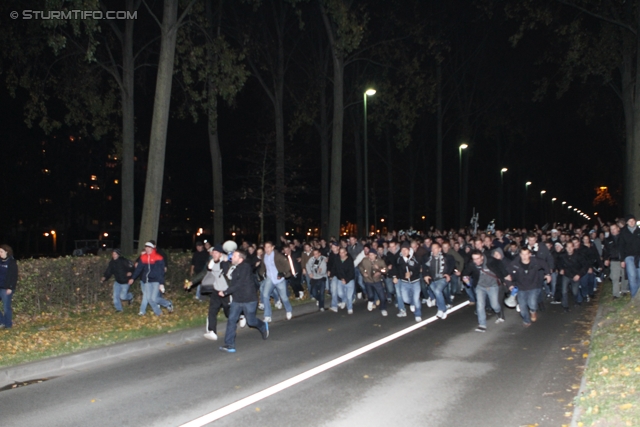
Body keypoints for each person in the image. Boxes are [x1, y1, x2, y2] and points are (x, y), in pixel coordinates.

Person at [218, 250, 269, 353]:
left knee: (251, 321)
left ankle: (263, 325)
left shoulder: (245, 267)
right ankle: (229, 344)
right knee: (232, 320)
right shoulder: (236, 268)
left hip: (249, 300)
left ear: (240, 259)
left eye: (234, 256)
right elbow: (228, 277)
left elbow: (239, 284)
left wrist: (226, 292)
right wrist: (223, 262)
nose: (232, 257)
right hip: (237, 300)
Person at [188, 244, 233, 341]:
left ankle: (240, 314)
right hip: (216, 290)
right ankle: (212, 331)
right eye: (213, 253)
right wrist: (192, 282)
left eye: (216, 253)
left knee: (228, 312)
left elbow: (233, 274)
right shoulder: (211, 263)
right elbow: (203, 273)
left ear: (220, 254)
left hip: (226, 292)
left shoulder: (226, 263)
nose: (214, 254)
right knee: (212, 310)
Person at [462, 249, 509, 332]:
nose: (476, 261)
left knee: (495, 305)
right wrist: (466, 279)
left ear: (482, 257)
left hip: (493, 286)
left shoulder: (491, 261)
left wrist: (505, 276)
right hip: (480, 287)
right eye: (474, 259)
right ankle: (482, 324)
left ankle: (499, 312)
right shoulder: (472, 264)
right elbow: (465, 273)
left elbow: (500, 266)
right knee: (480, 305)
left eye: (478, 258)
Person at [509, 247, 551, 327]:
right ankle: (526, 320)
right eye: (522, 254)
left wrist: (548, 274)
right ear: (520, 255)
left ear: (530, 254)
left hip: (533, 285)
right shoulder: (515, 264)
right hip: (521, 287)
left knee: (532, 303)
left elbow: (545, 264)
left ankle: (533, 311)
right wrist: (510, 284)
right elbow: (509, 275)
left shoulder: (536, 261)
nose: (524, 256)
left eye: (526, 254)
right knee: (522, 306)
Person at [129, 242, 173, 316]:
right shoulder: (143, 257)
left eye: (149, 247)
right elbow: (138, 269)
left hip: (156, 281)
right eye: (146, 247)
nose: (147, 249)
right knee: (149, 299)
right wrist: (133, 278)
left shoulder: (158, 258)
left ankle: (168, 303)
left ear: (152, 248)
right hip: (147, 281)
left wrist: (161, 283)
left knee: (154, 298)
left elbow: (161, 271)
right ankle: (158, 313)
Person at [258, 241, 293, 322]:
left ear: (272, 247)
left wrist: (283, 273)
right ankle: (267, 315)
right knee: (265, 295)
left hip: (279, 279)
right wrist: (261, 273)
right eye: (265, 247)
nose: (267, 249)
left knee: (284, 297)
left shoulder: (278, 256)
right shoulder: (264, 256)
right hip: (270, 278)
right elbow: (263, 266)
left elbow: (287, 266)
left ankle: (288, 310)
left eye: (268, 247)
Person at [423, 242, 455, 320]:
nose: (433, 250)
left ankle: (441, 309)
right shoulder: (428, 257)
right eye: (432, 248)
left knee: (437, 291)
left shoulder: (447, 257)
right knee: (437, 293)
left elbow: (453, 265)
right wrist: (425, 275)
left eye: (435, 248)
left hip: (442, 279)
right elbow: (424, 267)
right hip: (432, 279)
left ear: (440, 249)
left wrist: (448, 273)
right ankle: (442, 309)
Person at [394, 242, 422, 321]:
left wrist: (411, 273)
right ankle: (412, 302)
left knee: (416, 299)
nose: (404, 252)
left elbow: (418, 269)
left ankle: (418, 314)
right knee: (405, 299)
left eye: (405, 250)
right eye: (402, 250)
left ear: (409, 250)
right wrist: (396, 277)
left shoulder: (415, 257)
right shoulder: (399, 259)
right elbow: (398, 270)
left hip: (415, 281)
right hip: (404, 282)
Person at [358, 250, 388, 316]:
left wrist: (379, 270)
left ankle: (383, 308)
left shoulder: (380, 261)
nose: (370, 256)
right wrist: (363, 273)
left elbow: (385, 270)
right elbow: (360, 267)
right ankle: (370, 301)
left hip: (377, 281)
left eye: (372, 255)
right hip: (368, 280)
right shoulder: (365, 260)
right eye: (369, 255)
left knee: (382, 297)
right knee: (370, 295)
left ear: (375, 255)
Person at [603, 223, 628, 298]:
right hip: (614, 260)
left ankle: (624, 290)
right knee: (615, 277)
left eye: (614, 229)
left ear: (618, 229)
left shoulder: (623, 237)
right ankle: (616, 294)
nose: (613, 231)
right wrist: (606, 259)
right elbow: (606, 251)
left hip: (623, 259)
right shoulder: (608, 240)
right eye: (611, 229)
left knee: (624, 276)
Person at [619, 215, 640, 298]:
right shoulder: (623, 232)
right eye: (629, 221)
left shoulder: (639, 230)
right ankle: (634, 297)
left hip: (639, 256)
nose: (631, 222)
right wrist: (622, 260)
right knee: (632, 276)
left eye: (633, 220)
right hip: (629, 257)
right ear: (627, 222)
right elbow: (621, 247)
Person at [0, 244, 18, 329]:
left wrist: (10, 287)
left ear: (6, 252)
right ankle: (2, 322)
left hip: (6, 288)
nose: (0, 253)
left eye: (1, 251)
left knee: (6, 307)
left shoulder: (11, 262)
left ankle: (8, 324)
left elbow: (14, 276)